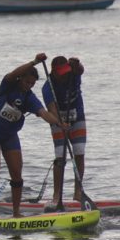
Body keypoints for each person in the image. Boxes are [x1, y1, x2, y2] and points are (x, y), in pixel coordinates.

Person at [0, 53, 68, 219]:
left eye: (32, 84)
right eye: (27, 82)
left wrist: (59, 123)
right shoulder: (8, 85)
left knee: (17, 175)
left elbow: (44, 113)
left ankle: (16, 212)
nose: (29, 86)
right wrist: (35, 62)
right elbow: (14, 73)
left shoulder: (29, 98)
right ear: (21, 79)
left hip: (9, 136)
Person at [42, 55, 86, 204]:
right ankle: (56, 195)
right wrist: (60, 123)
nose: (65, 76)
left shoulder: (73, 74)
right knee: (60, 156)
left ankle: (78, 192)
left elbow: (80, 70)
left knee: (79, 152)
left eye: (67, 72)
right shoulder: (48, 87)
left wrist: (77, 63)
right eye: (61, 74)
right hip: (57, 119)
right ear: (53, 72)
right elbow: (51, 109)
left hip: (77, 117)